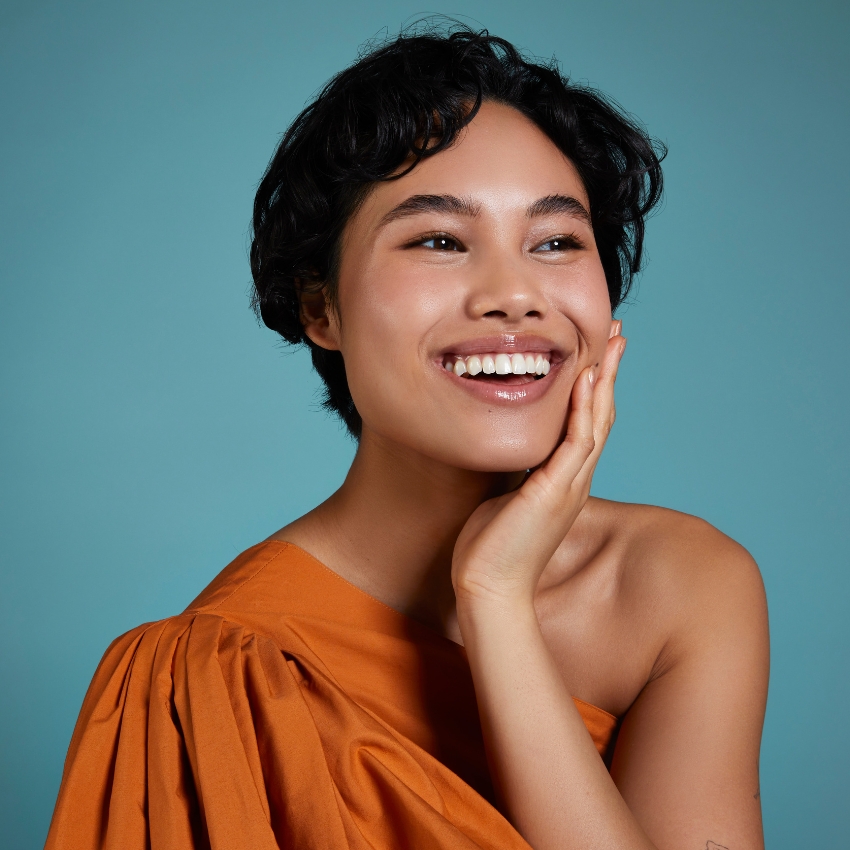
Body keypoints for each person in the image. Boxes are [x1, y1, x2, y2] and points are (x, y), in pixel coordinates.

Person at [45, 25, 769, 850]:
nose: (515, 295)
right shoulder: (212, 679)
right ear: (322, 310)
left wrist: (496, 604)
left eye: (558, 241)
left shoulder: (684, 587)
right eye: (439, 241)